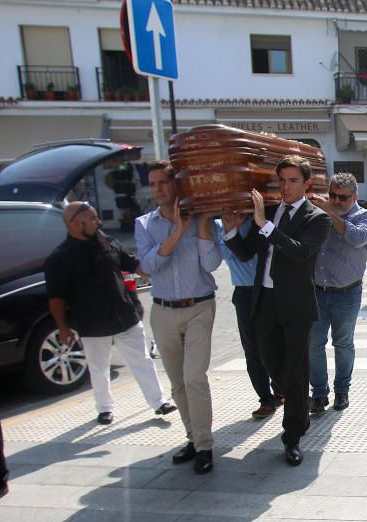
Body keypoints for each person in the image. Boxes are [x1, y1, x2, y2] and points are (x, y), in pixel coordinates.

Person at [223, 156, 331, 467]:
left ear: (306, 184)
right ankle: (283, 389)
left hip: (296, 306)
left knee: (295, 374)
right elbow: (247, 254)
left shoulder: (316, 219)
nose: (285, 186)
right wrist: (232, 233)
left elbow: (298, 252)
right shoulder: (268, 213)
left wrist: (265, 226)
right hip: (265, 301)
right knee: (270, 360)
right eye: (282, 180)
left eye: (293, 180)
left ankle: (292, 437)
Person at [44, 201, 175, 425]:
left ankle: (159, 401)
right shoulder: (59, 258)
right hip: (92, 324)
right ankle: (104, 408)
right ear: (76, 223)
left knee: (142, 359)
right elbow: (55, 298)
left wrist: (164, 271)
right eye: (93, 218)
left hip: (125, 315)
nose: (99, 222)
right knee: (98, 368)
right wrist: (64, 328)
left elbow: (136, 265)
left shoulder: (109, 243)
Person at [135, 161, 222, 475]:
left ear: (176, 185)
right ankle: (192, 436)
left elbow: (211, 263)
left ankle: (204, 445)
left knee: (194, 377)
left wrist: (198, 228)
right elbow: (148, 266)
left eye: (163, 183)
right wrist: (178, 231)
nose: (157, 190)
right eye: (153, 184)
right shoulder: (144, 224)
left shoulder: (203, 219)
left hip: (199, 306)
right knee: (177, 383)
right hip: (162, 310)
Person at [307, 172, 367, 413]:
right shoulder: (321, 212)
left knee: (343, 344)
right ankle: (318, 393)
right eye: (332, 196)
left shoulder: (364, 217)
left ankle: (342, 390)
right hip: (318, 290)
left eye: (342, 198)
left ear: (354, 196)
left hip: (347, 293)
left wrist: (331, 213)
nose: (336, 201)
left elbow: (357, 238)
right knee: (313, 344)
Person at [220, 219, 282, 419]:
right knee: (252, 349)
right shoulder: (222, 224)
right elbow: (225, 254)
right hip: (244, 292)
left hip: (268, 289)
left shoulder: (262, 218)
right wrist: (232, 226)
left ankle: (280, 387)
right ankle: (265, 399)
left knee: (275, 344)